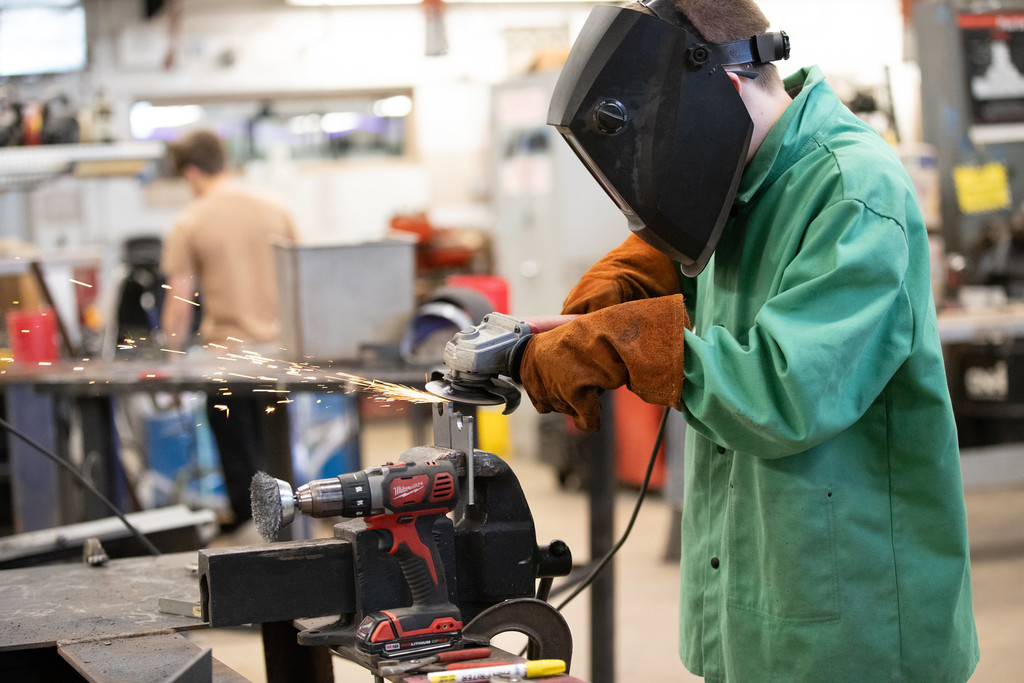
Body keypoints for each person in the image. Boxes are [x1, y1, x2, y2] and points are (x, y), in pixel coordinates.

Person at [516, 0, 980, 680]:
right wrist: (641, 273)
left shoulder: (851, 190)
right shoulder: (744, 188)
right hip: (755, 606)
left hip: (857, 630)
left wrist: (627, 343)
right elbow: (693, 271)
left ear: (723, 89)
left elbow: (785, 386)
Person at [160, 129, 298, 529]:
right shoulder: (276, 208)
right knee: (278, 450)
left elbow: (180, 299)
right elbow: (302, 280)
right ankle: (294, 524)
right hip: (281, 357)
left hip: (228, 358)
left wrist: (172, 361)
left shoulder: (191, 220)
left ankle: (251, 530)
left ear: (191, 173)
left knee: (241, 460)